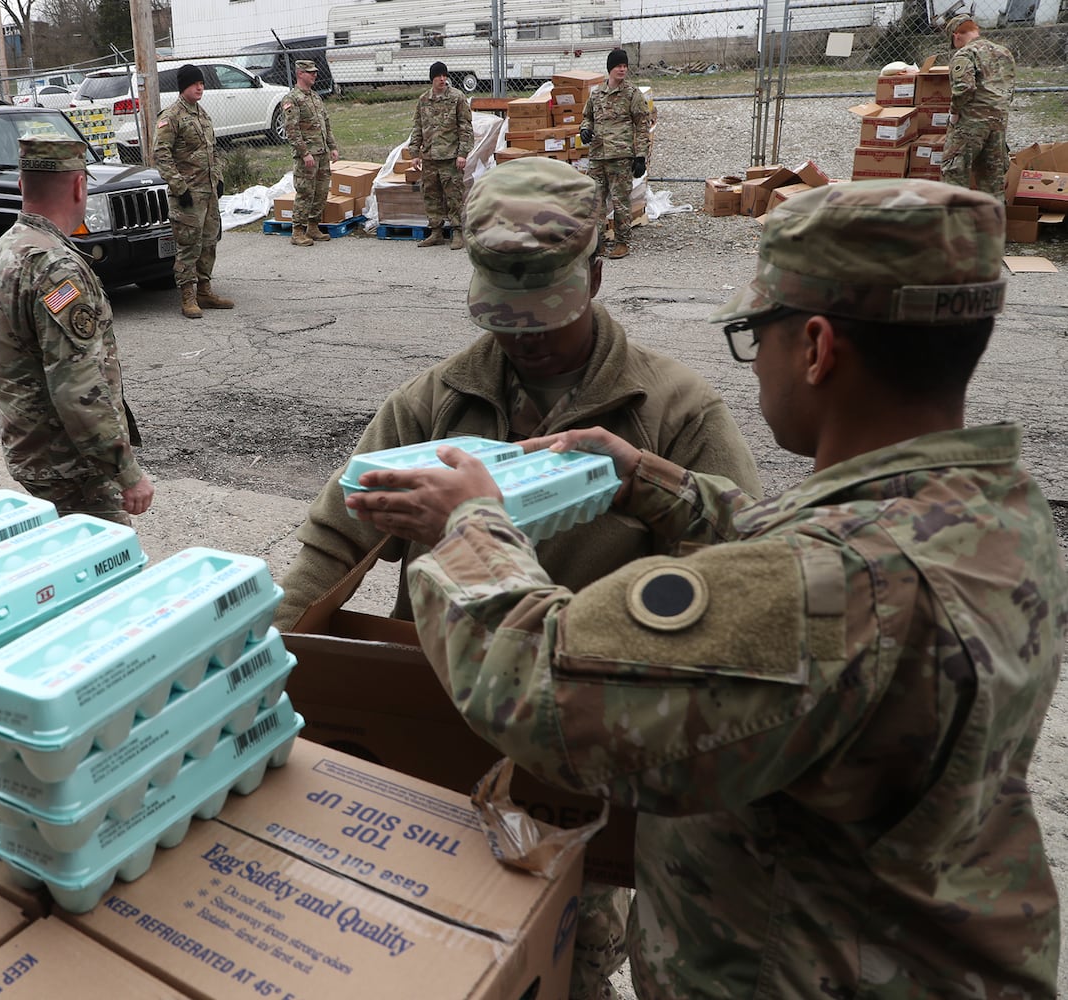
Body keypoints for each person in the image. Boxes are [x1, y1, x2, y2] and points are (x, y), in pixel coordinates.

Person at [348, 179, 1065, 998]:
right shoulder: (988, 508)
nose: (753, 361)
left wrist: (468, 526)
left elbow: (543, 692)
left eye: (753, 334)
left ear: (816, 348)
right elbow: (798, 548)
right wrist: (648, 480)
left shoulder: (834, 581)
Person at [279, 158, 761, 1000]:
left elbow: (736, 580)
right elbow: (331, 541)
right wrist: (269, 667)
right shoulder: (434, 405)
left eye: (544, 307)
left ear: (597, 273)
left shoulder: (672, 415)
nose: (524, 333)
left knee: (563, 953)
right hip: (432, 734)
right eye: (503, 308)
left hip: (578, 759)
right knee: (416, 945)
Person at [0, 136, 154, 525]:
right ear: (80, 186)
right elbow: (77, 385)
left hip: (34, 446)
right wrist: (126, 472)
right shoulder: (55, 268)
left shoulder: (6, 247)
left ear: (22, 185)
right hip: (69, 463)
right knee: (109, 569)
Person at [153, 63, 233, 319]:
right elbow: (161, 155)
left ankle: (205, 291)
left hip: (208, 193)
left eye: (201, 83)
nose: (200, 87)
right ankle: (188, 295)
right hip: (188, 196)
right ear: (183, 86)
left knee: (209, 242)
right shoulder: (171, 116)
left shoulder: (202, 114)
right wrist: (179, 186)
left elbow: (215, 149)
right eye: (194, 83)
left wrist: (218, 178)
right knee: (188, 245)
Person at [580, 48, 650, 260]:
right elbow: (587, 117)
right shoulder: (597, 94)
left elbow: (642, 126)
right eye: (618, 65)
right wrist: (584, 129)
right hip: (598, 155)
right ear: (610, 68)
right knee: (596, 201)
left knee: (620, 202)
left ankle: (622, 242)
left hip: (621, 156)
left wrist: (640, 156)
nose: (622, 69)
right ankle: (598, 242)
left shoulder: (632, 94)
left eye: (625, 66)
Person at [943, 13, 1016, 199]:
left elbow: (964, 87)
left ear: (956, 35)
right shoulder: (1004, 53)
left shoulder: (965, 54)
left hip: (970, 124)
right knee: (992, 180)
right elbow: (1010, 90)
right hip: (998, 123)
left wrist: (954, 112)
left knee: (955, 173)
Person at [408, 60, 473, 250]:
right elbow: (418, 127)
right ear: (432, 79)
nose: (443, 79)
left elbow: (466, 127)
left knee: (454, 196)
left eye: (445, 75)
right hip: (429, 158)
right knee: (431, 195)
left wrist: (462, 153)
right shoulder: (423, 100)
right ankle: (436, 231)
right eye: (438, 76)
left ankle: (457, 231)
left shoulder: (457, 98)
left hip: (450, 157)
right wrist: (414, 153)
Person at [283, 59, 339, 248]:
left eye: (315, 72)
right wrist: (304, 153)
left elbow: (326, 124)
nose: (315, 75)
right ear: (300, 74)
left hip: (322, 152)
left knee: (321, 191)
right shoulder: (292, 99)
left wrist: (332, 147)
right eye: (310, 72)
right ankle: (298, 230)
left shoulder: (315, 97)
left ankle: (313, 226)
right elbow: (291, 129)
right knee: (305, 192)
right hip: (307, 156)